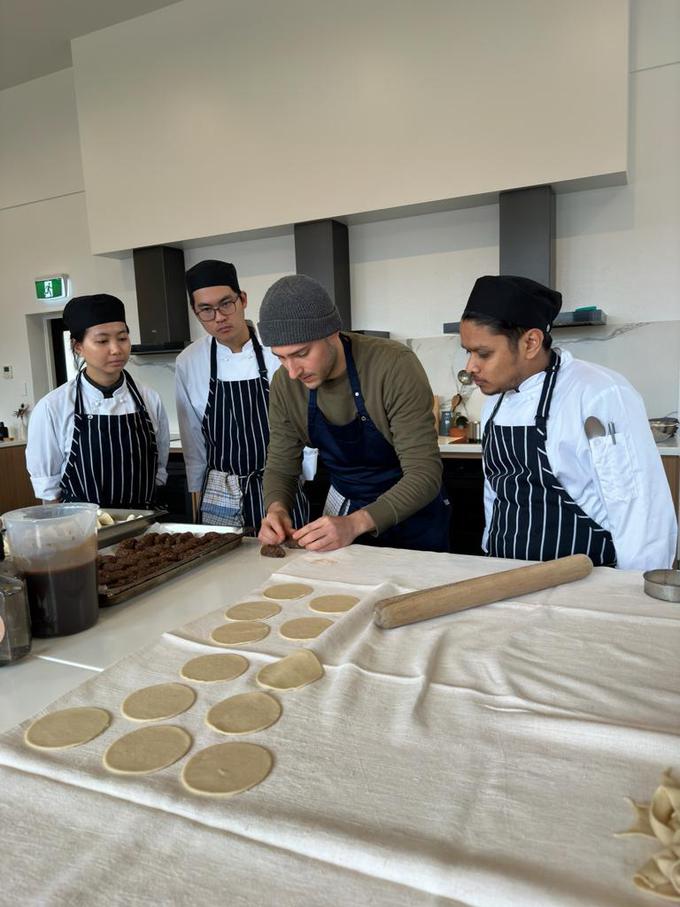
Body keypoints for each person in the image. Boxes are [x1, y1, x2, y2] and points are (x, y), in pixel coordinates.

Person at [459, 274, 677, 570]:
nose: (470, 366)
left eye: (483, 353)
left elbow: (638, 507)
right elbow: (496, 492)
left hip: (585, 585)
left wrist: (636, 595)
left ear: (531, 342)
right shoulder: (495, 400)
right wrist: (488, 552)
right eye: (468, 352)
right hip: (505, 574)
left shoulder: (599, 393)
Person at [257, 274, 450, 553]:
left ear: (333, 332)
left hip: (413, 516)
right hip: (344, 511)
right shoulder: (285, 384)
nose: (292, 371)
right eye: (280, 357)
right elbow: (280, 465)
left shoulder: (393, 365)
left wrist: (355, 524)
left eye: (301, 353)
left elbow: (424, 473)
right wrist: (276, 508)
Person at [175, 260, 310, 530]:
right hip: (219, 489)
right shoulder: (189, 362)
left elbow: (301, 422)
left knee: (287, 562)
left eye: (226, 304)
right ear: (195, 311)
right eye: (206, 310)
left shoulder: (277, 351)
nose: (219, 317)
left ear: (243, 300)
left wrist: (306, 475)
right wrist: (196, 494)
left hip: (279, 487)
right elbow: (193, 440)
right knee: (222, 564)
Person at [27, 294, 169, 507]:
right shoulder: (52, 407)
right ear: (78, 347)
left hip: (143, 528)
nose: (116, 349)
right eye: (102, 341)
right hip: (81, 530)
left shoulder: (149, 399)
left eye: (122, 338)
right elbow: (49, 493)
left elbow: (158, 470)